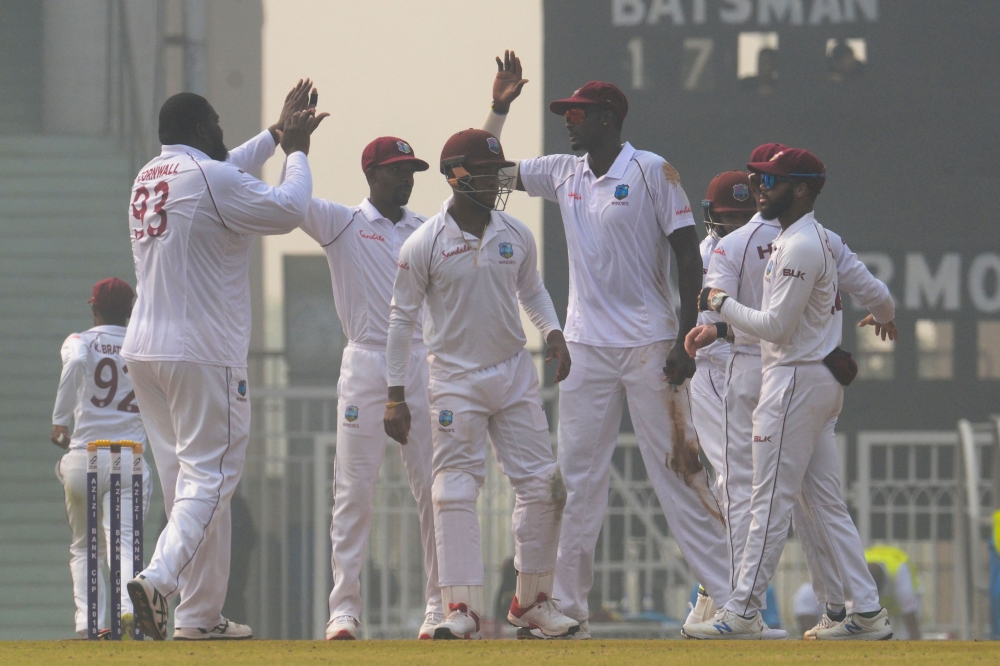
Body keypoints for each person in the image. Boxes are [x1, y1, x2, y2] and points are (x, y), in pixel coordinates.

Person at [482, 51, 731, 637]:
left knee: (679, 467)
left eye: (577, 113)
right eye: (567, 113)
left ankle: (731, 597)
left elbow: (687, 249)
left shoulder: (651, 170)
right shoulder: (563, 172)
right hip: (587, 348)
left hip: (651, 344)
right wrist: (498, 108)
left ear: (608, 119)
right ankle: (568, 605)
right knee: (577, 478)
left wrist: (682, 338)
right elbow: (486, 169)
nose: (568, 121)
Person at [123, 82, 327, 640]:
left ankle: (198, 616)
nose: (220, 130)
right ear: (196, 130)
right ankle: (159, 580)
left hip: (145, 350)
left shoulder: (150, 175)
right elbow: (288, 209)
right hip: (202, 354)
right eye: (214, 122)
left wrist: (273, 134)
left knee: (186, 485)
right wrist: (297, 150)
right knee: (212, 481)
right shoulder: (211, 178)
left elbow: (225, 166)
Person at [686, 143, 897, 640]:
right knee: (825, 503)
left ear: (801, 189)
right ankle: (867, 612)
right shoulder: (817, 239)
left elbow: (777, 327)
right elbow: (878, 295)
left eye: (770, 181)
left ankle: (741, 611)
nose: (760, 188)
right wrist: (885, 317)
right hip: (816, 380)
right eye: (759, 179)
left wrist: (718, 305)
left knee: (768, 500)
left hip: (795, 382)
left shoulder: (799, 245)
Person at [383, 127, 578, 640]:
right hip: (454, 378)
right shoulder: (423, 243)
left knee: (545, 486)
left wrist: (553, 333)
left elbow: (532, 291)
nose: (496, 181)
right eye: (486, 173)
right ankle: (460, 610)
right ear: (456, 176)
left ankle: (532, 601)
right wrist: (395, 395)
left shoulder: (515, 234)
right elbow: (401, 320)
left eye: (498, 171)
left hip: (512, 373)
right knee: (454, 489)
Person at [291, 135, 442, 641]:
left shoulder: (424, 229)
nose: (408, 178)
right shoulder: (342, 223)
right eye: (398, 170)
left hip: (419, 363)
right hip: (366, 361)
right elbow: (287, 201)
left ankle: (439, 604)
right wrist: (292, 147)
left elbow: (469, 187)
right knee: (353, 491)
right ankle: (345, 610)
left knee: (433, 490)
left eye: (412, 170)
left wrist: (498, 112)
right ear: (372, 174)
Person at [51, 278, 153, 639]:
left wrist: (60, 419)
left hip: (85, 456)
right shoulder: (144, 346)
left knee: (84, 547)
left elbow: (77, 361)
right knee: (124, 543)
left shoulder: (79, 341)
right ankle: (128, 614)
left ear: (93, 308)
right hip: (129, 456)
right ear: (130, 312)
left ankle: (87, 624)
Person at [865, 545, 922, 639]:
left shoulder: (901, 578)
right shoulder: (856, 570)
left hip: (907, 595)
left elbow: (912, 625)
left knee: (903, 636)